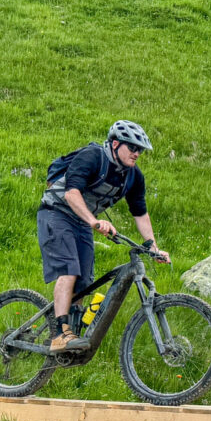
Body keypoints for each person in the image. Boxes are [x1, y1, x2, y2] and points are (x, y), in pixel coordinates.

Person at [37, 120, 171, 352]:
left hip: (82, 221)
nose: (137, 153)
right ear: (116, 144)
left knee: (85, 282)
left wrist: (153, 247)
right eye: (133, 147)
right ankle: (60, 334)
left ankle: (72, 333)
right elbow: (71, 193)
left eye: (140, 150)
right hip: (56, 213)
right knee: (69, 270)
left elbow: (140, 213)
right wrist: (94, 221)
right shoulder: (92, 157)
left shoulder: (133, 176)